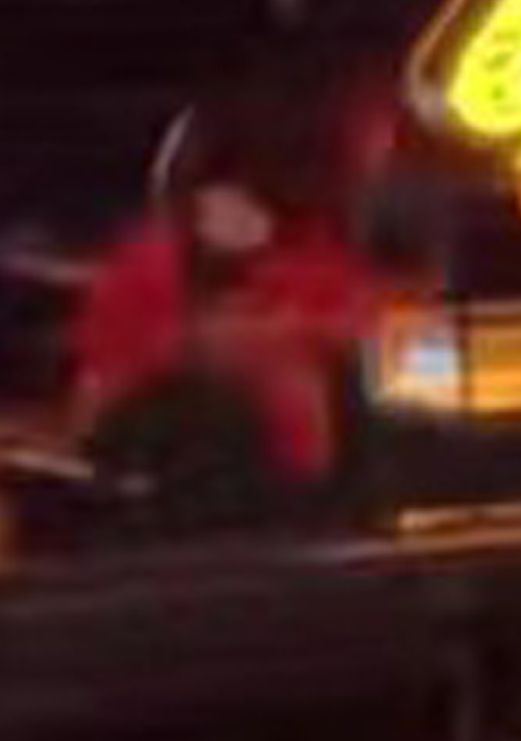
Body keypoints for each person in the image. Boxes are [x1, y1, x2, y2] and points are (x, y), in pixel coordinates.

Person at [63, 82, 401, 516]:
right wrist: (194, 349)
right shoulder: (156, 263)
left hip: (322, 507)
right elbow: (96, 408)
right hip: (193, 505)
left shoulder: (337, 266)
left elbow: (387, 345)